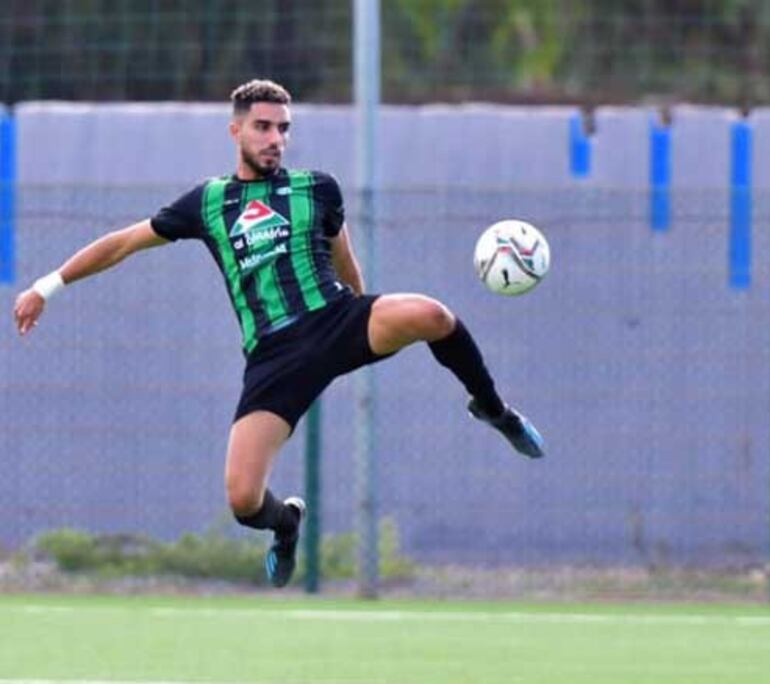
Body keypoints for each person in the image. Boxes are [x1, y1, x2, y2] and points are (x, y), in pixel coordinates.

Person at [11, 79, 544, 588]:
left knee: (433, 315)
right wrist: (48, 284)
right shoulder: (209, 203)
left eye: (283, 128)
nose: (275, 139)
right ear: (236, 131)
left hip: (336, 320)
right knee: (243, 500)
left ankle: (494, 409)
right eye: (263, 127)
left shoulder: (316, 188)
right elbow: (123, 243)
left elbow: (344, 259)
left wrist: (365, 315)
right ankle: (286, 524)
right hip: (274, 356)